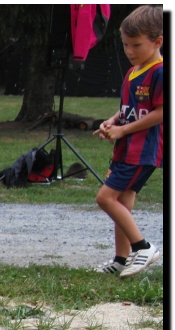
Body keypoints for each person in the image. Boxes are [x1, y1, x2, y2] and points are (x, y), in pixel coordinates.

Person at [92, 4, 164, 278]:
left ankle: (143, 246)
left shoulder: (159, 71)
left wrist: (124, 131)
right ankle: (121, 259)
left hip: (141, 151)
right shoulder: (134, 70)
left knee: (105, 198)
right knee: (122, 202)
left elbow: (161, 112)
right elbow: (128, 108)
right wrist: (113, 122)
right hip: (125, 148)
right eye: (125, 45)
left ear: (158, 41)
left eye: (136, 45)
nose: (130, 51)